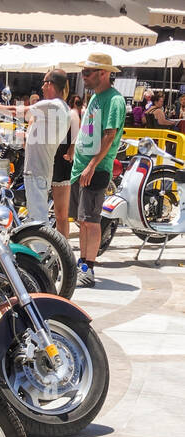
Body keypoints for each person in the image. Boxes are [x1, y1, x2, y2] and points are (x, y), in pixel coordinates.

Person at [70, 53, 127, 288]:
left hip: (96, 168)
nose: (83, 77)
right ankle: (82, 262)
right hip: (82, 167)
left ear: (103, 73)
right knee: (82, 221)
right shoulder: (94, 98)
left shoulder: (114, 100)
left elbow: (110, 135)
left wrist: (92, 165)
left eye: (87, 73)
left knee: (91, 221)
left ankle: (88, 267)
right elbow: (90, 130)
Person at [0, 70, 68, 227]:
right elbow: (37, 138)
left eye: (44, 82)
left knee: (38, 217)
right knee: (36, 212)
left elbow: (19, 111)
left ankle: (41, 249)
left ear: (50, 84)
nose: (42, 87)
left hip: (37, 169)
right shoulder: (62, 108)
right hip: (41, 168)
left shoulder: (52, 105)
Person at [51, 92, 81, 237]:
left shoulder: (76, 117)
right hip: (51, 161)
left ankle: (62, 245)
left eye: (79, 103)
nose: (77, 107)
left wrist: (73, 148)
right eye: (75, 103)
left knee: (61, 213)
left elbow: (85, 135)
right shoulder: (61, 115)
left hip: (63, 163)